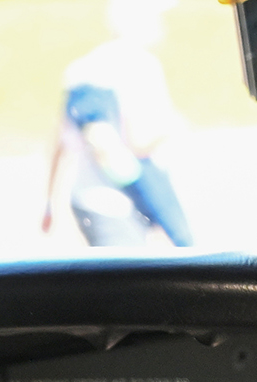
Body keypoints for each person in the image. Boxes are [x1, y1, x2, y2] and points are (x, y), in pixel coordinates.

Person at [47, 0, 194, 249]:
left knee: (111, 281)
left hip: (89, 199)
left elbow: (60, 142)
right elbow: (139, 142)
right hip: (129, 199)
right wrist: (174, 125)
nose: (161, 25)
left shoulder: (81, 69)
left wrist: (48, 202)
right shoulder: (142, 65)